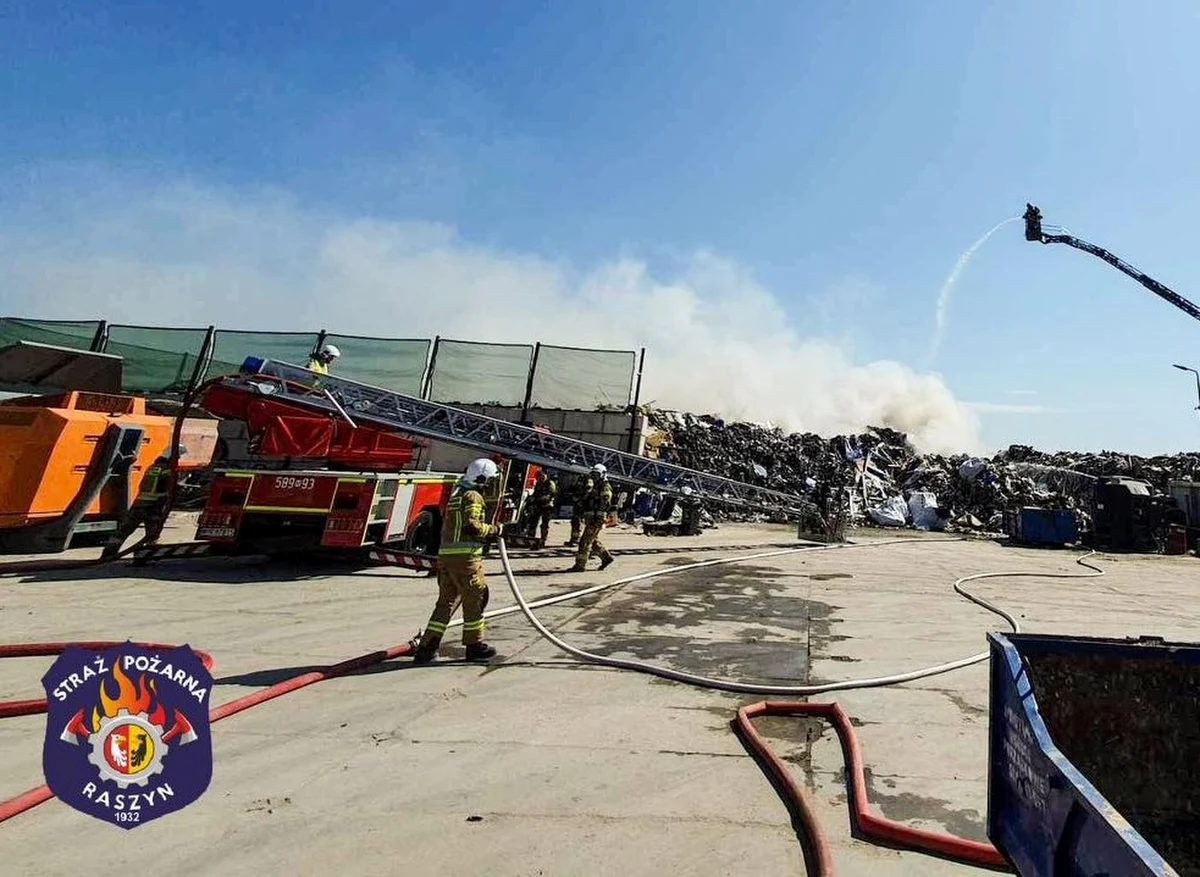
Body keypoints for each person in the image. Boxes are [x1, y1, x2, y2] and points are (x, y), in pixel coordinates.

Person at [411, 457, 503, 663]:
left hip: (446, 559)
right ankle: (474, 646)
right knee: (475, 600)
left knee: (445, 603)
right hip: (466, 560)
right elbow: (472, 526)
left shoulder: (457, 494)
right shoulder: (473, 496)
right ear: (483, 479)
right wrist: (495, 530)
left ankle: (427, 647)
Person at [101, 454, 173, 560]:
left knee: (123, 532)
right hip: (153, 506)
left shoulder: (153, 467)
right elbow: (167, 488)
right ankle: (146, 556)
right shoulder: (167, 471)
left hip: (139, 504)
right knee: (152, 535)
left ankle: (108, 554)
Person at [570, 464, 614, 572]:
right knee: (592, 540)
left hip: (596, 519)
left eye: (597, 474)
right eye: (593, 474)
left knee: (584, 542)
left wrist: (595, 508)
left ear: (603, 474)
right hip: (591, 518)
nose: (594, 476)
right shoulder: (593, 486)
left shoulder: (605, 486)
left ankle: (580, 566)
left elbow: (605, 502)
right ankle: (606, 557)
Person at [525, 470, 558, 548]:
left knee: (544, 525)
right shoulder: (538, 483)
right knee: (533, 522)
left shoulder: (550, 483)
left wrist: (541, 498)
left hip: (547, 507)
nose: (540, 479)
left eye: (541, 477)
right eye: (538, 478)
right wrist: (531, 499)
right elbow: (536, 493)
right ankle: (531, 538)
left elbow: (552, 495)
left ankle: (543, 540)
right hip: (538, 506)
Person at [564, 473, 593, 547]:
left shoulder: (588, 480)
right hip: (577, 504)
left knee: (578, 521)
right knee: (574, 521)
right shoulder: (581, 478)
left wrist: (580, 500)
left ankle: (577, 539)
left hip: (582, 505)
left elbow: (588, 492)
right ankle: (573, 539)